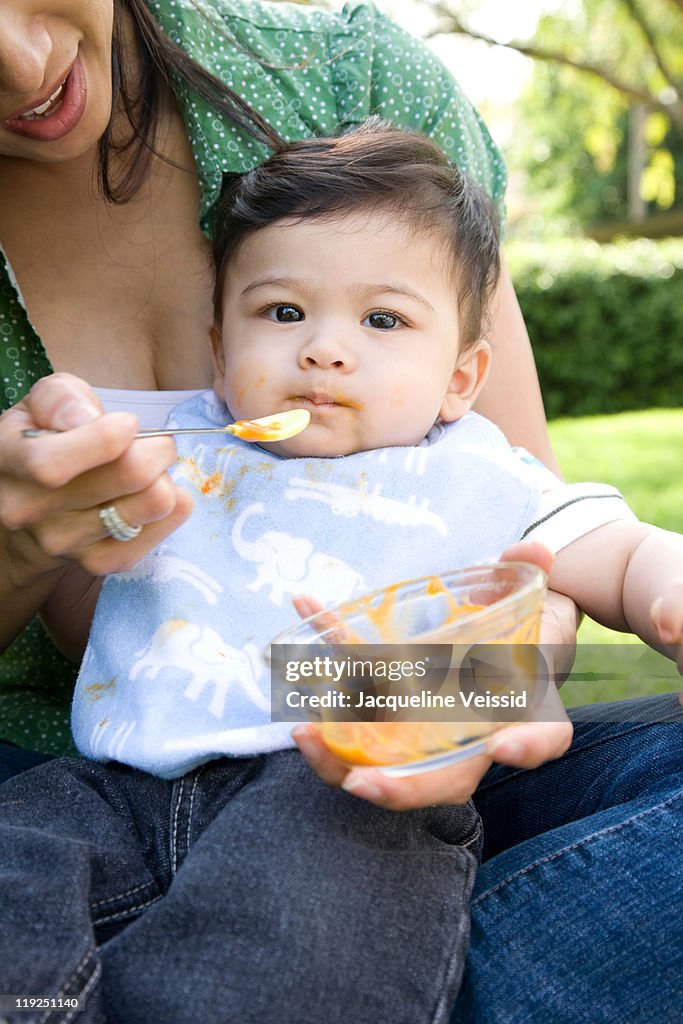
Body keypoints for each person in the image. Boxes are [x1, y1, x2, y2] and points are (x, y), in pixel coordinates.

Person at [0, 3, 679, 1023]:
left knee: (298, 932)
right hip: (112, 787)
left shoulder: (462, 464)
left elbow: (593, 546)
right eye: (282, 313)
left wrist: (657, 583)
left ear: (461, 375)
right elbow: (94, 625)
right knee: (15, 863)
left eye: (380, 320)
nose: (324, 349)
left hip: (334, 774)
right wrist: (61, 526)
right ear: (221, 353)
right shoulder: (180, 449)